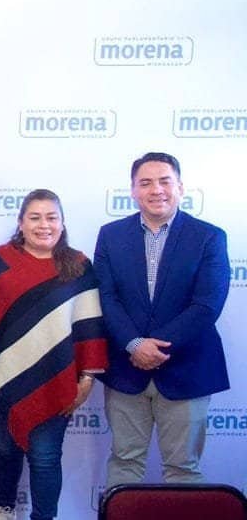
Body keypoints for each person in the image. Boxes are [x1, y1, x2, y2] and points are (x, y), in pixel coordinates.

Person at [94, 152, 230, 489]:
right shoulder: (110, 235)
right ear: (133, 191)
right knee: (124, 463)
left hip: (187, 368)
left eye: (164, 181)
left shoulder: (209, 237)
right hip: (126, 369)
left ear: (180, 187)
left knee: (183, 470)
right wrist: (135, 344)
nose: (156, 190)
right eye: (145, 183)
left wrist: (155, 347)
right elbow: (106, 298)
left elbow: (207, 305)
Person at [0, 189, 108, 520]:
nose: (44, 225)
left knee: (45, 458)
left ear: (62, 223)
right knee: (5, 451)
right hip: (4, 377)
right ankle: (3, 511)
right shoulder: (0, 260)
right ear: (21, 223)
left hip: (57, 379)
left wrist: (88, 377)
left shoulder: (78, 265)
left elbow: (90, 323)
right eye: (35, 217)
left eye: (52, 217)